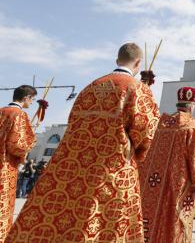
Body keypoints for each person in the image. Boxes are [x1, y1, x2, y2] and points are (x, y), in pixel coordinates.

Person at [7, 43, 160, 242]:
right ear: (138, 63)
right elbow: (146, 130)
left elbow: (73, 121)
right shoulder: (137, 88)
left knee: (67, 217)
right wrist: (138, 153)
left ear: (117, 60)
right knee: (104, 221)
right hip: (110, 168)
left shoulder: (91, 86)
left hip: (72, 168)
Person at [139, 87, 195, 243]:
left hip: (151, 182)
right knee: (173, 220)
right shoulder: (190, 124)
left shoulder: (161, 122)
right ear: (191, 106)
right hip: (176, 184)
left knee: (152, 216)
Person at [0, 85, 37, 242]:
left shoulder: (1, 111)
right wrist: (31, 138)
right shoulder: (19, 115)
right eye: (32, 99)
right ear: (26, 97)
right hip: (5, 165)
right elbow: (18, 145)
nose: (32, 102)